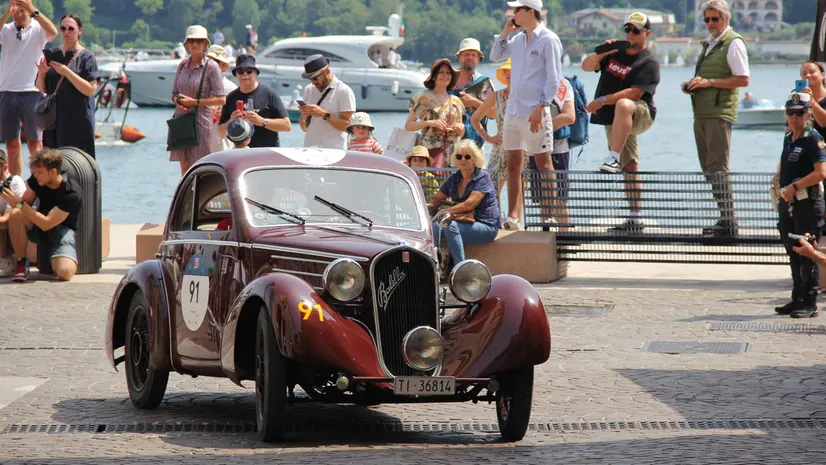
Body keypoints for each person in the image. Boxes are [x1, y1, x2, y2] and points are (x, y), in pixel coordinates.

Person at [582, 12, 660, 232]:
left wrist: (602, 100)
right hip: (615, 117)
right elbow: (586, 67)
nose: (630, 34)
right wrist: (601, 51)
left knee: (624, 104)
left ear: (647, 33)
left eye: (636, 30)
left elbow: (636, 93)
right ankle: (635, 218)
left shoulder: (649, 61)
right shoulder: (614, 53)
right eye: (628, 29)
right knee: (630, 164)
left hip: (641, 112)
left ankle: (613, 157)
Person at [489, 0, 563, 231]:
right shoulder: (518, 39)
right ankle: (513, 216)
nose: (513, 13)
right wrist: (505, 31)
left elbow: (553, 78)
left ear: (530, 12)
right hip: (513, 110)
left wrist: (542, 107)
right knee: (513, 164)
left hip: (534, 110)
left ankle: (549, 215)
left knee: (543, 163)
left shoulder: (548, 39)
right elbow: (494, 56)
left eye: (517, 10)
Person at [682, 0, 750, 237]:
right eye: (707, 19)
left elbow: (742, 79)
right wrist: (694, 84)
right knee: (709, 169)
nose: (710, 23)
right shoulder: (712, 44)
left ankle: (729, 222)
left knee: (718, 168)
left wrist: (709, 82)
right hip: (702, 112)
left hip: (719, 113)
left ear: (726, 19)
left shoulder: (733, 43)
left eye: (715, 19)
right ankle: (725, 219)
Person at [772, 92, 826, 318]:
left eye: (799, 113)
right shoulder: (788, 137)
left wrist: (794, 187)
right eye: (790, 113)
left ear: (808, 114)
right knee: (792, 252)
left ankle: (810, 301)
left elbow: (821, 173)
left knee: (807, 252)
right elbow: (784, 166)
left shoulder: (813, 138)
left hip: (807, 203)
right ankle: (797, 298)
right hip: (789, 204)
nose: (794, 118)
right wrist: (777, 181)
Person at [1, 149, 82, 282]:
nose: (35, 176)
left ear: (53, 172)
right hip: (38, 225)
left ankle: (59, 257)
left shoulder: (71, 192)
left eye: (39, 172)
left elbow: (47, 223)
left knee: (64, 273)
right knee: (16, 214)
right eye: (35, 172)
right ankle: (22, 264)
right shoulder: (36, 180)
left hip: (61, 230)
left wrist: (19, 203)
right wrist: (9, 198)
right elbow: (24, 203)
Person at [0, 0, 57, 176]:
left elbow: (53, 31)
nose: (19, 12)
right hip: (7, 90)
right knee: (12, 143)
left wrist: (32, 10)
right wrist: (7, 14)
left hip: (32, 92)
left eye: (22, 8)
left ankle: (37, 182)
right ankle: (16, 182)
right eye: (16, 7)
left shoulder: (38, 29)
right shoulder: (7, 29)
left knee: (35, 144)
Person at [36, 14, 101, 158]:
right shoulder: (52, 55)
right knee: (52, 162)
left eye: (71, 29)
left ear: (80, 31)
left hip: (78, 119)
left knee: (79, 162)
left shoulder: (87, 57)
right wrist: (41, 73)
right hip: (54, 120)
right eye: (63, 28)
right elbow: (41, 88)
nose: (66, 32)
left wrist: (66, 72)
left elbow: (90, 89)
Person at [428, 140, 500, 269]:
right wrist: (428, 209)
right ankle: (436, 267)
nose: (463, 159)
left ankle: (461, 269)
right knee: (435, 228)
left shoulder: (482, 177)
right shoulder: (454, 178)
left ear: (475, 159)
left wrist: (445, 212)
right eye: (459, 156)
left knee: (450, 226)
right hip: (464, 222)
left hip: (485, 225)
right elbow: (437, 198)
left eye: (467, 156)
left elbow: (469, 204)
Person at [169, 25, 226, 175]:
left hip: (200, 121)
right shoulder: (182, 65)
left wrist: (194, 102)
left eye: (199, 41)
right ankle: (187, 199)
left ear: (205, 44)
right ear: (186, 44)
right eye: (192, 41)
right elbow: (173, 94)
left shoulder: (212, 67)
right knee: (184, 168)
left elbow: (221, 99)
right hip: (181, 121)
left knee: (200, 168)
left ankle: (205, 199)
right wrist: (179, 101)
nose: (195, 44)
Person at [218, 54, 290, 149]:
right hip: (241, 153)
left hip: (267, 151)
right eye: (240, 71)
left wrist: (262, 121)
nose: (245, 75)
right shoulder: (231, 97)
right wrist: (231, 121)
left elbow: (287, 125)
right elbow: (220, 133)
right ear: (236, 75)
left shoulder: (269, 94)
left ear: (256, 73)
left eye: (249, 71)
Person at [405, 58, 465, 168]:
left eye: (448, 73)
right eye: (441, 72)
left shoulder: (456, 101)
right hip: (429, 154)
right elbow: (409, 126)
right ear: (433, 76)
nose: (445, 75)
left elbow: (461, 130)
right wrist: (430, 123)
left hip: (453, 154)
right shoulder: (423, 97)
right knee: (430, 183)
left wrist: (460, 128)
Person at [298, 54, 356, 149]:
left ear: (327, 71)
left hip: (334, 151)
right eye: (310, 79)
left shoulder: (344, 91)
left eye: (316, 78)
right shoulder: (309, 89)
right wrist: (303, 118)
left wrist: (324, 114)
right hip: (310, 149)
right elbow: (304, 128)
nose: (313, 82)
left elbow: (350, 128)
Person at [473, 59, 513, 196]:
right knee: (491, 190)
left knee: (518, 190)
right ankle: (494, 217)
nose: (508, 74)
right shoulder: (496, 96)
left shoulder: (526, 96)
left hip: (521, 146)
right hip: (500, 146)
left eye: (512, 71)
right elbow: (475, 119)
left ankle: (515, 218)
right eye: (506, 71)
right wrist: (488, 137)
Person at [451, 38, 494, 149]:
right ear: (458, 57)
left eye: (473, 55)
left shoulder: (484, 83)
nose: (470, 57)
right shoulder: (447, 79)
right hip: (446, 142)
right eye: (466, 54)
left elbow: (494, 114)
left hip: (474, 145)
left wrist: (473, 102)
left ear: (478, 59)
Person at [0, 149, 26, 275]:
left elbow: (6, 218)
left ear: (4, 167)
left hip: (16, 228)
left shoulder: (15, 183)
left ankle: (5, 260)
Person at [207, 45, 237, 153]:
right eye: (207, 61)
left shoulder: (231, 89)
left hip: (221, 147)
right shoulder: (196, 87)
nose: (210, 66)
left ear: (223, 66)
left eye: (215, 62)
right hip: (198, 147)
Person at [801, 61, 826, 139]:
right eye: (804, 73)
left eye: (812, 72)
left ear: (822, 75)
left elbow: (824, 122)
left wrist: (811, 100)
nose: (808, 75)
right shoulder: (800, 99)